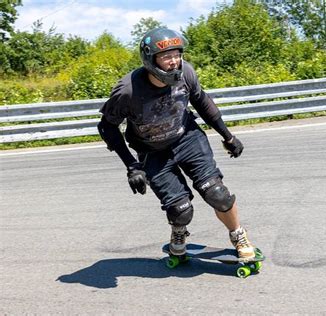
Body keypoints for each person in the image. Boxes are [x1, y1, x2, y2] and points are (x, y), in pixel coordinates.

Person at [97, 28, 256, 259]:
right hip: (152, 152)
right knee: (180, 211)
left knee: (218, 194)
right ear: (151, 60)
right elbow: (106, 126)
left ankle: (238, 234)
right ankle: (179, 232)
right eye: (166, 57)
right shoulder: (128, 91)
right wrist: (132, 166)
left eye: (177, 54)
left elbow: (203, 103)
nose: (173, 62)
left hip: (188, 139)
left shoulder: (186, 73)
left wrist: (228, 136)